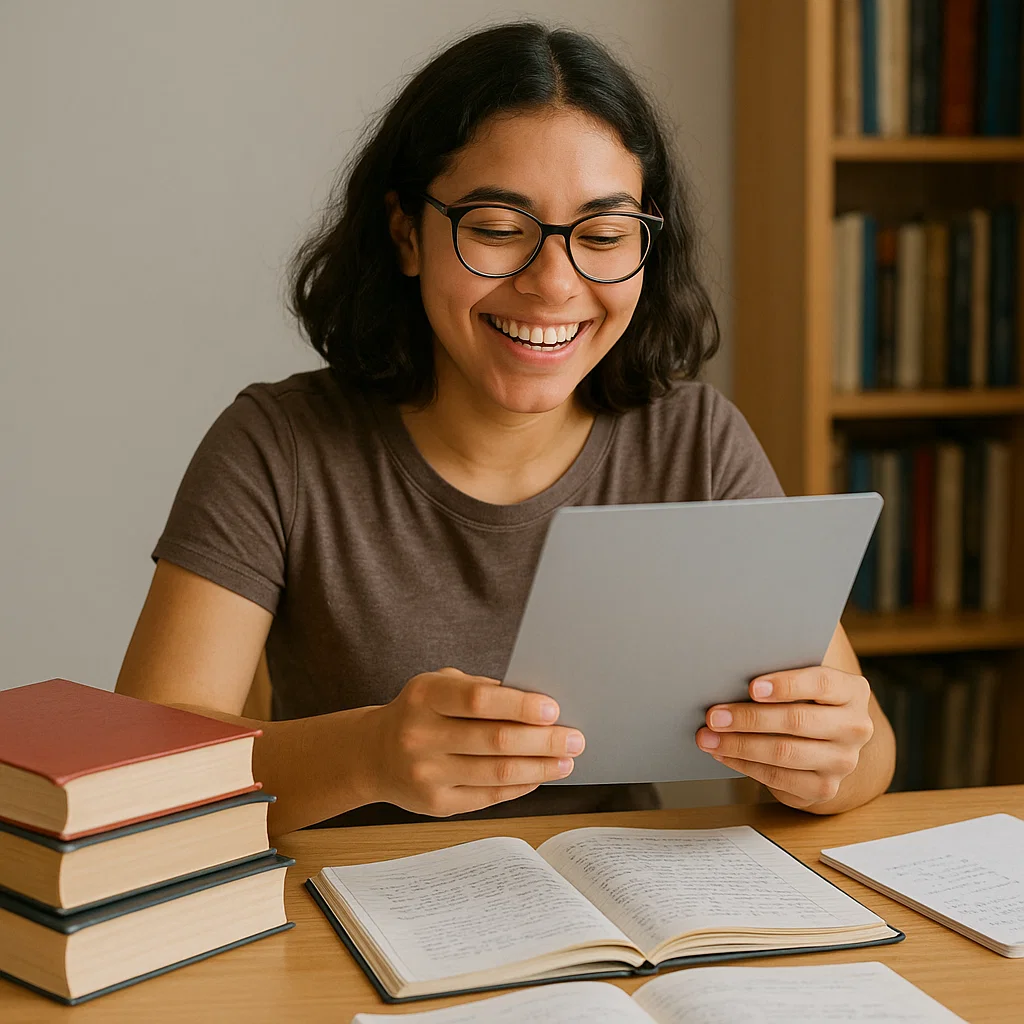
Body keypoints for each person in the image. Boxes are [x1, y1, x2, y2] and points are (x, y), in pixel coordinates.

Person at [116, 22, 895, 837]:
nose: (555, 284)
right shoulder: (276, 446)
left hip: (620, 924)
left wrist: (829, 759)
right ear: (407, 232)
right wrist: (368, 754)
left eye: (602, 236)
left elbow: (868, 757)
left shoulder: (694, 441)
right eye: (496, 229)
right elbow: (144, 777)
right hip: (343, 924)